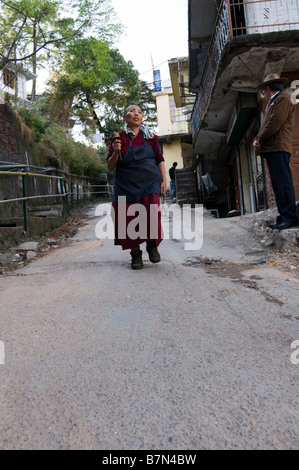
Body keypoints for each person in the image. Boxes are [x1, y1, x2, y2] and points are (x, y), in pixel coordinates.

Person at [107, 105, 167, 269]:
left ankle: (152, 245)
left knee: (152, 214)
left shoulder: (151, 138)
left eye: (140, 112)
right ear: (125, 117)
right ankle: (135, 253)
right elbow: (110, 166)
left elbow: (159, 159)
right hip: (125, 184)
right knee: (128, 219)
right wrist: (115, 152)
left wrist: (164, 180)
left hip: (150, 181)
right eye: (132, 111)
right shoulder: (118, 138)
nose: (136, 114)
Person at [253, 73, 298, 230]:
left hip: (278, 146)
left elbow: (274, 123)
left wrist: (260, 139)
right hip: (272, 147)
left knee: (283, 182)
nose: (263, 94)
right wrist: (259, 138)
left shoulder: (283, 98)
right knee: (278, 184)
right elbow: (267, 124)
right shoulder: (273, 102)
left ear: (267, 89)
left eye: (264, 91)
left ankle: (290, 216)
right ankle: (284, 214)